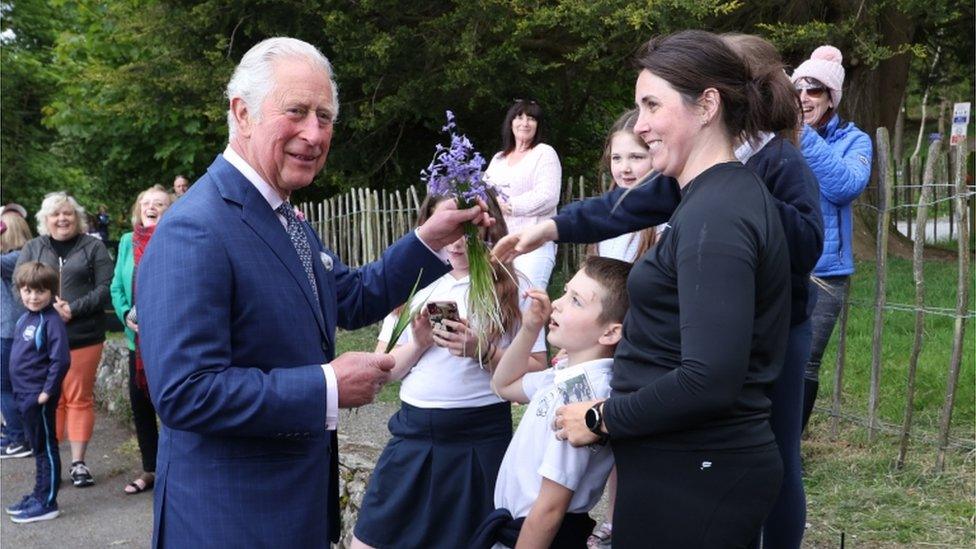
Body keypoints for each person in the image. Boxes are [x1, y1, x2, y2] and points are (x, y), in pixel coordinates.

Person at [136, 37, 491, 548]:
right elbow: (185, 393)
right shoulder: (196, 229)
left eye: (325, 117)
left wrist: (428, 239)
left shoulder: (284, 217)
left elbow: (349, 297)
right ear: (243, 114)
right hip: (229, 521)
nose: (314, 133)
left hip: (291, 512)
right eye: (297, 112)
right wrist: (326, 387)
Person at [495, 30, 795, 546]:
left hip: (699, 475)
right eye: (639, 107)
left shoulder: (719, 214)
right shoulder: (702, 198)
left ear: (706, 105)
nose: (642, 125)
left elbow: (710, 379)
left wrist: (601, 416)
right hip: (678, 466)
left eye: (652, 105)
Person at [352, 191, 547, 549]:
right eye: (448, 230)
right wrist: (420, 343)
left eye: (466, 230)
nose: (456, 244)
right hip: (413, 438)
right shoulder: (412, 284)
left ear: (487, 226)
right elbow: (386, 371)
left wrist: (482, 351)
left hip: (481, 441)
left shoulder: (514, 287)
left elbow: (536, 371)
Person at [470, 256, 631, 548]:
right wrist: (530, 329)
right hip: (520, 530)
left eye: (576, 301)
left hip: (540, 536)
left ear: (610, 332)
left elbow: (549, 509)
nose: (557, 303)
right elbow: (503, 384)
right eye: (565, 292)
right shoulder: (564, 374)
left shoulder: (583, 395)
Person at [791, 45, 872, 432]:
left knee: (806, 360)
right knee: (765, 355)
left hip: (826, 271)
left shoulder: (855, 141)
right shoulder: (775, 137)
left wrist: (803, 135)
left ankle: (791, 445)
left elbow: (845, 186)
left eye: (815, 90)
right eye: (799, 90)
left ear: (831, 98)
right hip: (777, 263)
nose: (804, 98)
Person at [16, 192, 114, 488]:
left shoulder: (94, 247)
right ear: (45, 220)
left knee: (78, 398)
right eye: (56, 214)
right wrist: (46, 311)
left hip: (83, 335)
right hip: (42, 339)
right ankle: (52, 462)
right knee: (50, 400)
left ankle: (79, 464)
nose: (62, 219)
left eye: (68, 214)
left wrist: (73, 308)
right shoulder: (33, 247)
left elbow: (105, 286)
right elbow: (17, 285)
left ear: (77, 217)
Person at [110, 184, 172, 494]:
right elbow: (116, 288)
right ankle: (150, 470)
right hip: (137, 344)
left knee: (173, 408)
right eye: (146, 202)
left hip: (167, 343)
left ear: (169, 209)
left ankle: (178, 471)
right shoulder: (125, 242)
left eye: (159, 203)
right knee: (142, 409)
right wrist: (125, 316)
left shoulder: (175, 238)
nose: (152, 207)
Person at [5, 261, 70, 523]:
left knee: (45, 449)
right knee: (36, 448)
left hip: (38, 397)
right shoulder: (24, 318)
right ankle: (38, 493)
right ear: (20, 290)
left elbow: (61, 360)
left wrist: (47, 391)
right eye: (27, 290)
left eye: (40, 291)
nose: (33, 297)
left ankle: (48, 502)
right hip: (24, 396)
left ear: (51, 292)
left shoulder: (51, 321)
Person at [484, 99, 562, 290]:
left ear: (538, 125)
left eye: (531, 118)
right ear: (511, 123)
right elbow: (485, 193)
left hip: (533, 244)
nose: (525, 123)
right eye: (519, 117)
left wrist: (508, 206)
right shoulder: (498, 159)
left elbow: (548, 196)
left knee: (528, 302)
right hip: (498, 243)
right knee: (501, 304)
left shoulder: (544, 153)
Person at [591, 109, 658, 263]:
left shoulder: (665, 221)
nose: (624, 169)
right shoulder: (604, 214)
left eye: (636, 157)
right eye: (617, 158)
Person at [1, 207, 33, 459]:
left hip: (8, 333)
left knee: (5, 388)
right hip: (13, 331)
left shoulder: (14, 259)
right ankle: (19, 435)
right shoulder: (24, 256)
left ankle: (18, 438)